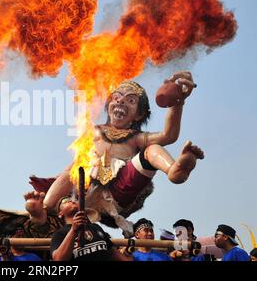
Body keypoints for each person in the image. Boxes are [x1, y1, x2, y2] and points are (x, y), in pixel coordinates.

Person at [44, 72, 204, 237]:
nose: (121, 101)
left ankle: (175, 170)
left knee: (152, 149)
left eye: (131, 100)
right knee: (70, 173)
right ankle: (44, 209)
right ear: (109, 105)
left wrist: (177, 103)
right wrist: (54, 183)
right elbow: (78, 161)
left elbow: (168, 136)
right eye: (116, 97)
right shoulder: (94, 132)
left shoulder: (136, 137)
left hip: (118, 191)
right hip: (85, 193)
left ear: (139, 114)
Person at [50, 195, 131, 261]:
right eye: (65, 201)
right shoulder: (59, 234)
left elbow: (112, 252)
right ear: (60, 214)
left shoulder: (96, 227)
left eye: (72, 199)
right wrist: (73, 230)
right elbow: (58, 259)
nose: (71, 200)